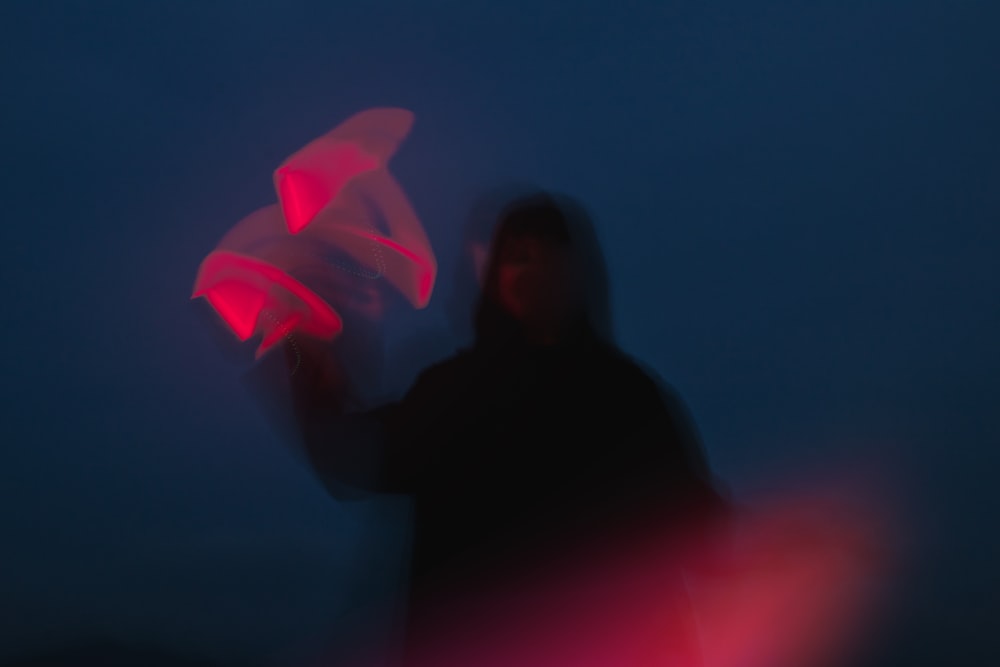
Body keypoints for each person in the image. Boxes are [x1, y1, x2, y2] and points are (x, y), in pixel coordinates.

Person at [281, 190, 727, 664]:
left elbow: (693, 528)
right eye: (519, 257)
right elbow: (360, 452)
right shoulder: (455, 392)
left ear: (579, 274)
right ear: (497, 274)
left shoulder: (630, 398)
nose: (535, 271)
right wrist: (301, 359)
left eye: (551, 255)